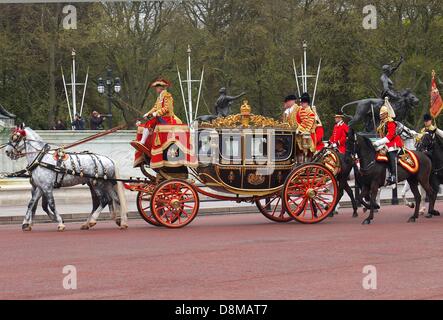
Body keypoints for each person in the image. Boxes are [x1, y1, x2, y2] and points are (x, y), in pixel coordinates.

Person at [132, 78, 182, 165]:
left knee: (150, 123)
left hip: (167, 118)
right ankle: (144, 143)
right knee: (143, 126)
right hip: (160, 117)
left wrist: (156, 113)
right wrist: (148, 113)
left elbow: (167, 108)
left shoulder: (167, 96)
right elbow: (155, 107)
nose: (156, 89)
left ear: (162, 87)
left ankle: (143, 142)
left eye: (157, 87)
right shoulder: (159, 97)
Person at [373, 98, 403, 185]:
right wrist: (378, 142)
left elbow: (390, 136)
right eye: (380, 114)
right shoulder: (382, 123)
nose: (380, 116)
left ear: (386, 114)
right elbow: (382, 136)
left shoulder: (390, 122)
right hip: (386, 143)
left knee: (390, 153)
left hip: (393, 143)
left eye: (382, 114)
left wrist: (379, 142)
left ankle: (394, 174)